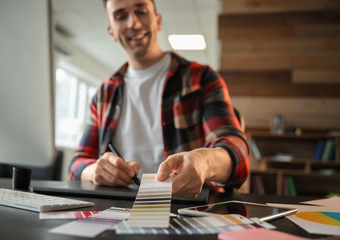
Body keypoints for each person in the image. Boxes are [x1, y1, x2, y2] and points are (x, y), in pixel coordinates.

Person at [69, 0, 249, 199]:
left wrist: (203, 162)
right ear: (112, 31)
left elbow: (236, 151)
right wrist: (95, 171)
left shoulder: (202, 79)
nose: (133, 23)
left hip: (187, 209)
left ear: (158, 20)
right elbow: (77, 163)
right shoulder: (104, 94)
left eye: (141, 11)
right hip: (118, 208)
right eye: (121, 16)